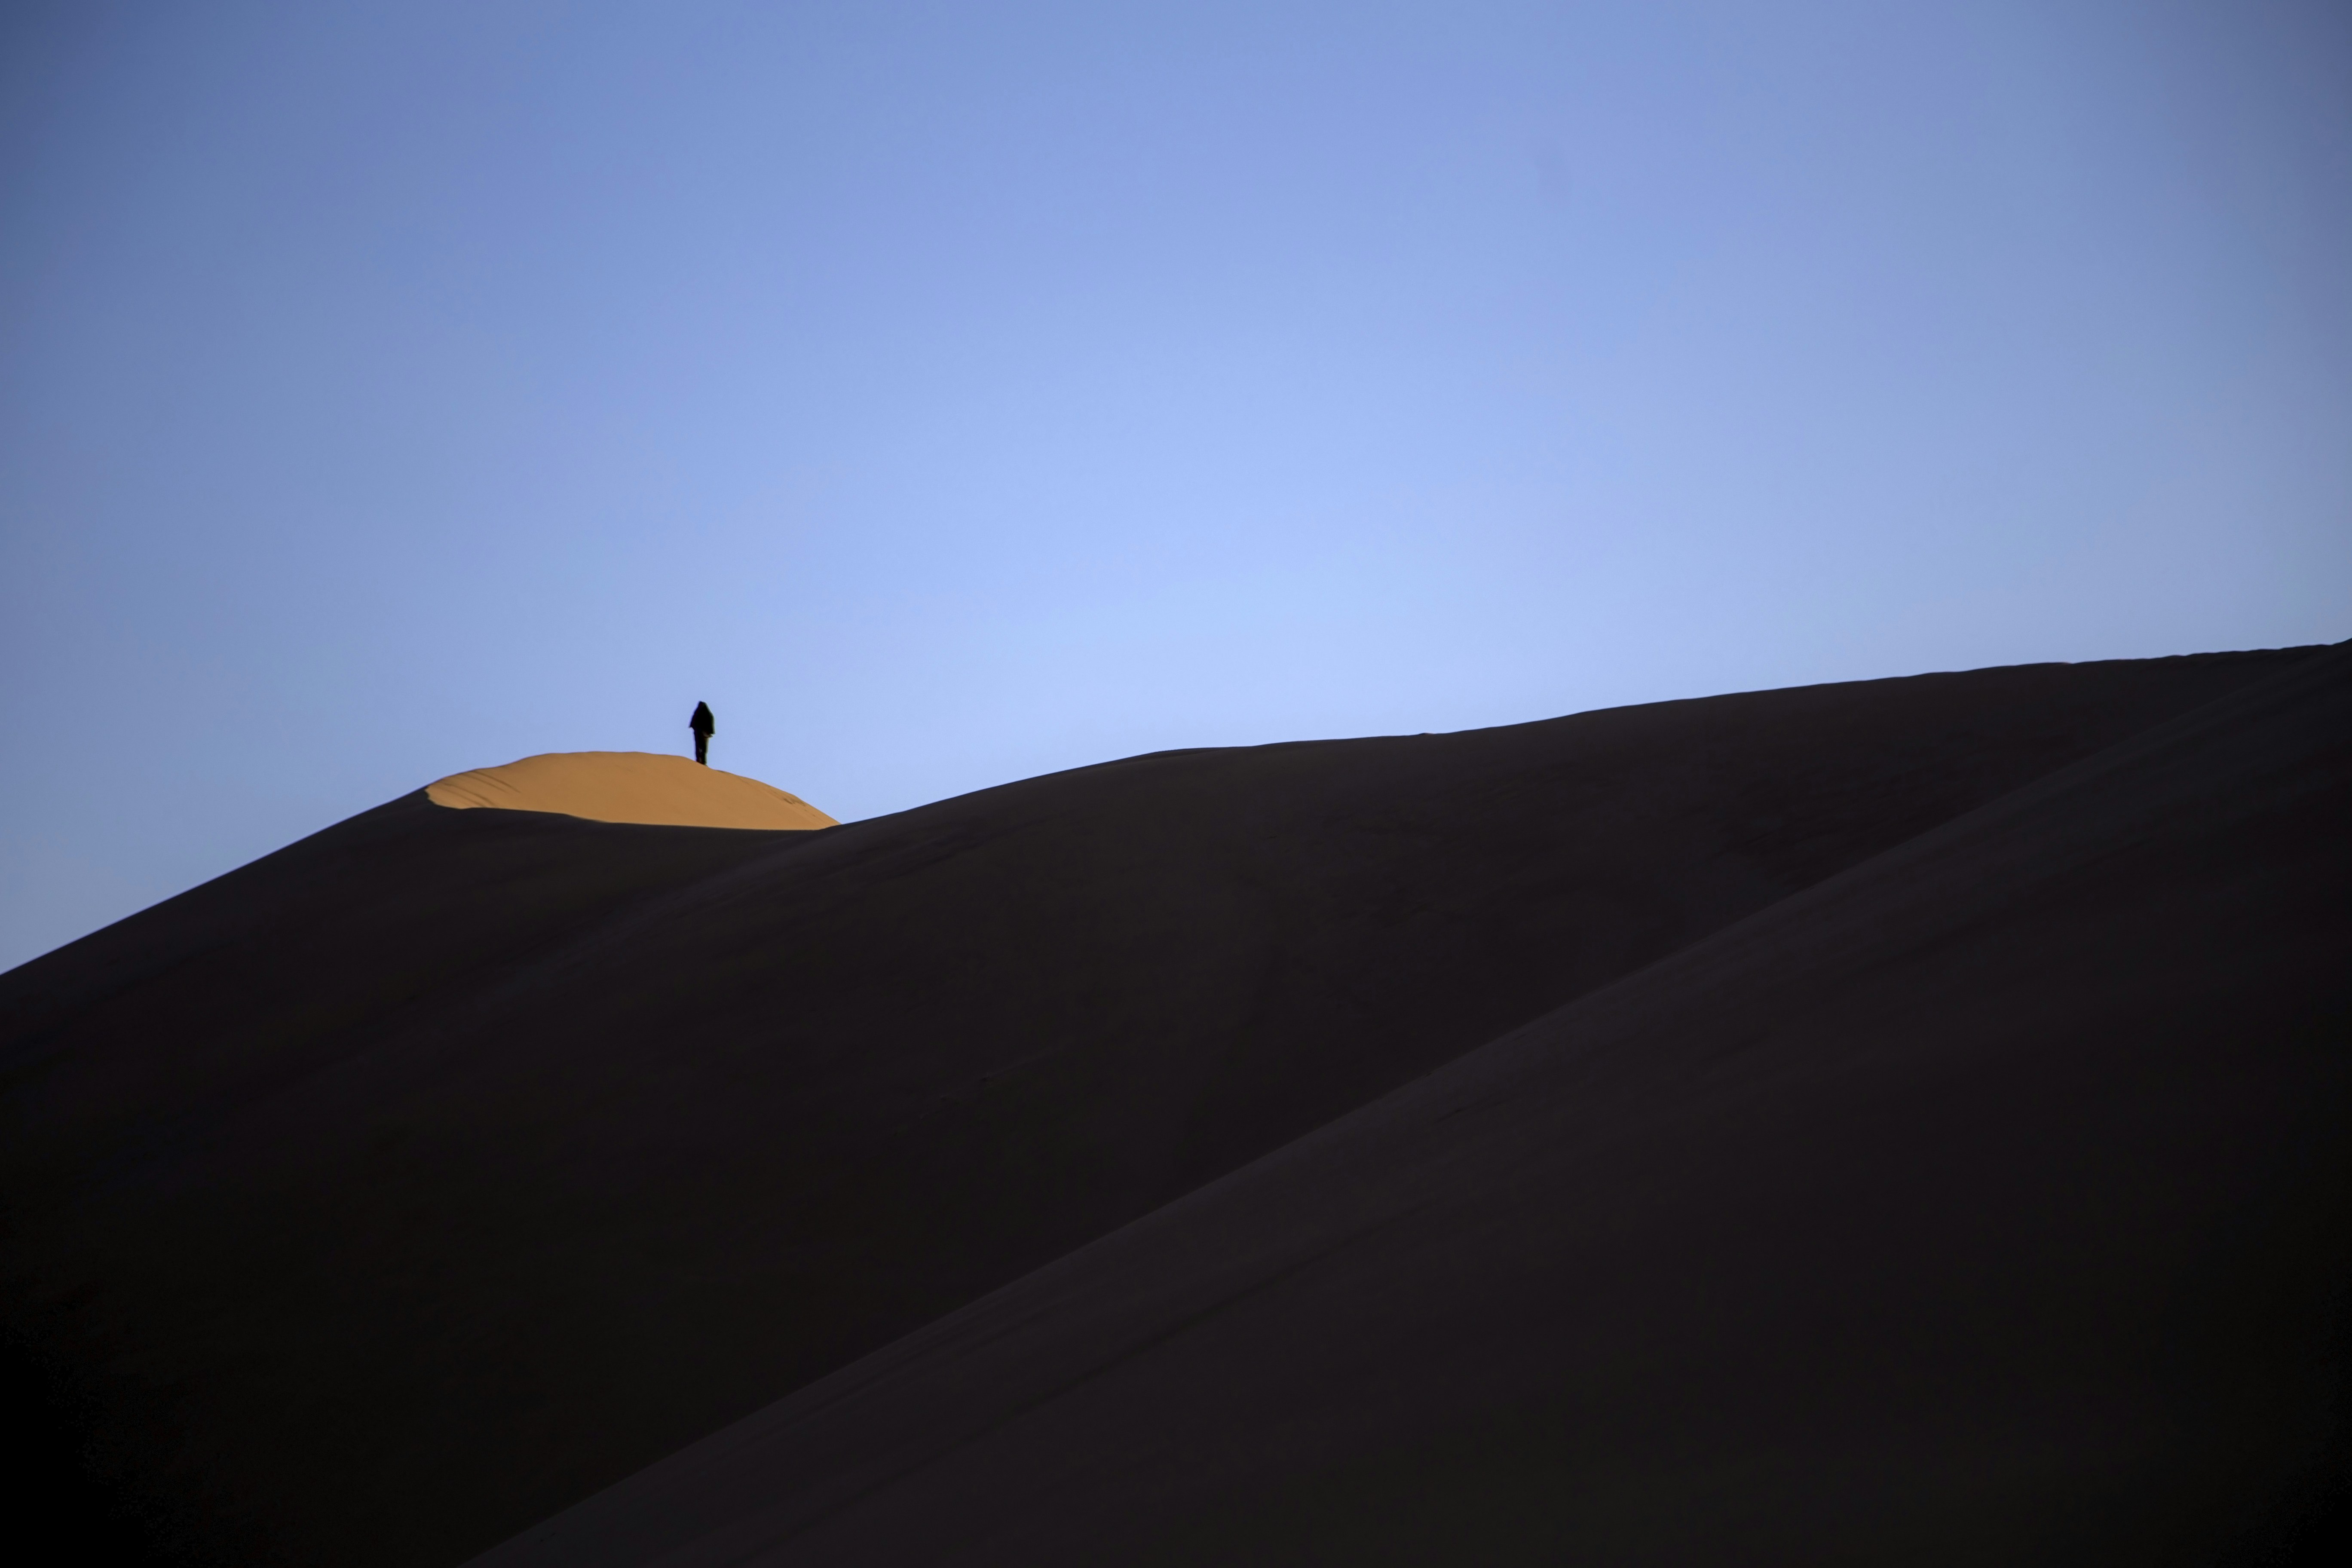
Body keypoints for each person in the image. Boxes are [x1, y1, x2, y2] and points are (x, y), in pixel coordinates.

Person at [689, 701, 715, 766]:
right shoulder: (709, 715)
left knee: (700, 748)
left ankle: (701, 761)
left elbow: (693, 722)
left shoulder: (698, 713)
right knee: (703, 749)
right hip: (704, 734)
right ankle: (703, 762)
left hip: (701, 734)